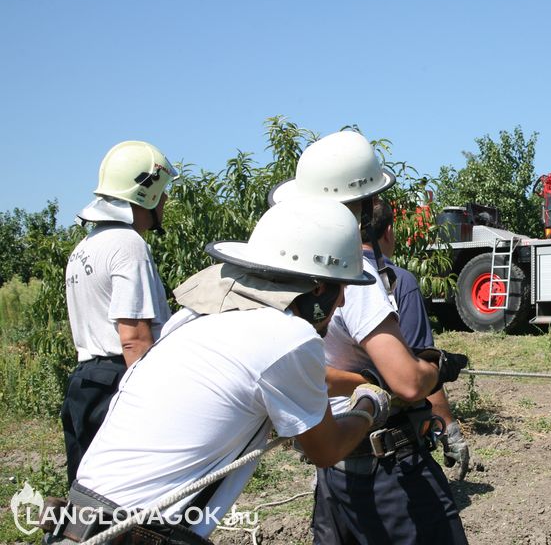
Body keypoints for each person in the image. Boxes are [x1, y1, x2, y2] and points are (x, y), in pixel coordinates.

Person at [58, 198, 392, 544]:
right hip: (136, 533)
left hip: (77, 517)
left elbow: (283, 377)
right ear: (319, 288)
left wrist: (359, 382)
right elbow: (325, 449)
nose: (340, 304)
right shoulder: (291, 337)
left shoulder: (195, 318)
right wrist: (370, 404)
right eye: (342, 290)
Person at [270, 130, 469, 545]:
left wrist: (360, 384)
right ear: (363, 210)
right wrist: (437, 367)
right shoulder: (358, 279)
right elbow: (408, 382)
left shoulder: (294, 274)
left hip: (334, 462)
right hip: (387, 471)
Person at [61, 140, 177, 485]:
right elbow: (134, 338)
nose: (167, 200)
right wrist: (154, 404)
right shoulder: (129, 245)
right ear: (148, 193)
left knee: (86, 498)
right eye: (163, 191)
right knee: (123, 497)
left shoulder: (86, 245)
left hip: (85, 383)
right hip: (117, 381)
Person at [362, 199, 471, 479]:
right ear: (388, 232)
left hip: (335, 438)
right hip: (392, 445)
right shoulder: (399, 282)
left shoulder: (324, 285)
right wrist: (450, 430)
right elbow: (418, 361)